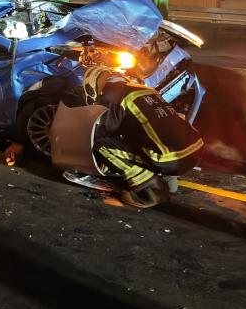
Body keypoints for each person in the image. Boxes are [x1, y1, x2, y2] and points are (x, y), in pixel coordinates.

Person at [82, 66, 203, 206]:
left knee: (102, 146)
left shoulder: (112, 94)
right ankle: (170, 178)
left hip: (167, 157)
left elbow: (106, 130)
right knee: (147, 136)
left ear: (93, 85)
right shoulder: (145, 89)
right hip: (194, 149)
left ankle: (148, 186)